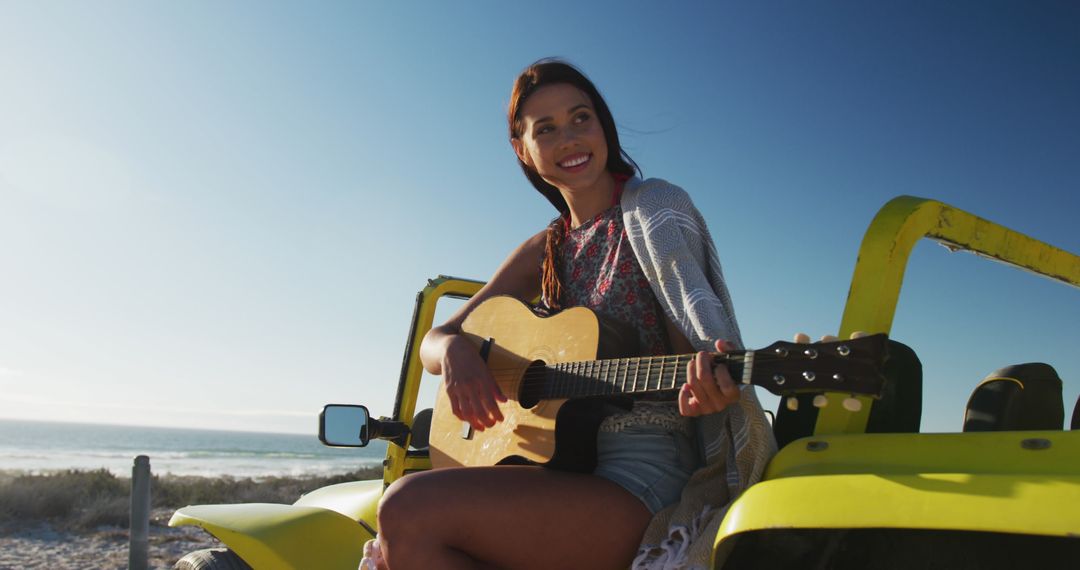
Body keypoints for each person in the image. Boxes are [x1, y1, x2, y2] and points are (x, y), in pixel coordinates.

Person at [364, 59, 776, 570]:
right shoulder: (544, 248)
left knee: (408, 506)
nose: (570, 138)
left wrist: (707, 384)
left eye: (581, 118)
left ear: (603, 125)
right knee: (405, 529)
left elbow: (694, 334)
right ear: (523, 149)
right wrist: (455, 351)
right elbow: (438, 338)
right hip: (551, 461)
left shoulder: (655, 210)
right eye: (547, 129)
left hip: (641, 469)